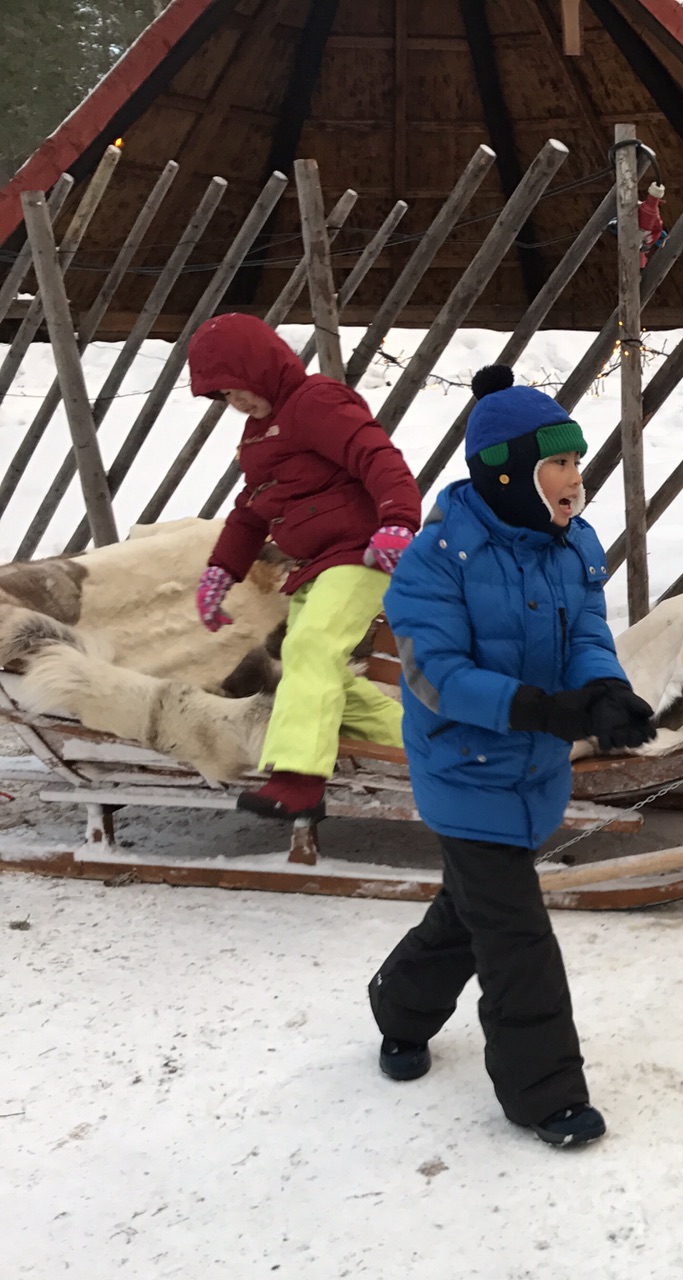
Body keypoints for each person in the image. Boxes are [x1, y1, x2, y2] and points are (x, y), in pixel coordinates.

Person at [367, 366, 656, 1148]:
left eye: (577, 463)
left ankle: (398, 1006)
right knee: (516, 933)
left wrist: (601, 690)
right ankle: (545, 1093)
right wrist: (538, 708)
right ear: (505, 472)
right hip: (463, 770)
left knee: (470, 912)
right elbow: (434, 676)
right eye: (558, 463)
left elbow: (587, 633)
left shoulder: (572, 547)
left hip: (534, 770)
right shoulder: (434, 562)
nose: (575, 478)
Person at [189, 313, 419, 820]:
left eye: (238, 387)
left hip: (361, 553)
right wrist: (221, 571)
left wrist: (399, 521)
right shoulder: (257, 438)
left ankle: (298, 779)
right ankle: (422, 738)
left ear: (261, 365)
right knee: (308, 665)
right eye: (224, 397)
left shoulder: (316, 401)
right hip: (315, 565)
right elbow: (251, 510)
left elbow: (376, 457)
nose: (236, 402)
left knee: (313, 645)